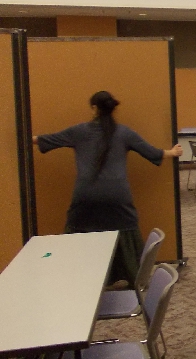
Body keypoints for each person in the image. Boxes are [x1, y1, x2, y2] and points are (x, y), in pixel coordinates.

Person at [33, 91, 183, 287]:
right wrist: (173, 152)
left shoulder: (79, 131)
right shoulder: (124, 133)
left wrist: (24, 136)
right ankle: (135, 278)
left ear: (94, 108)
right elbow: (152, 152)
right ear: (112, 109)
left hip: (85, 194)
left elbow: (45, 140)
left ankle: (77, 277)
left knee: (78, 232)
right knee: (126, 232)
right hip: (117, 195)